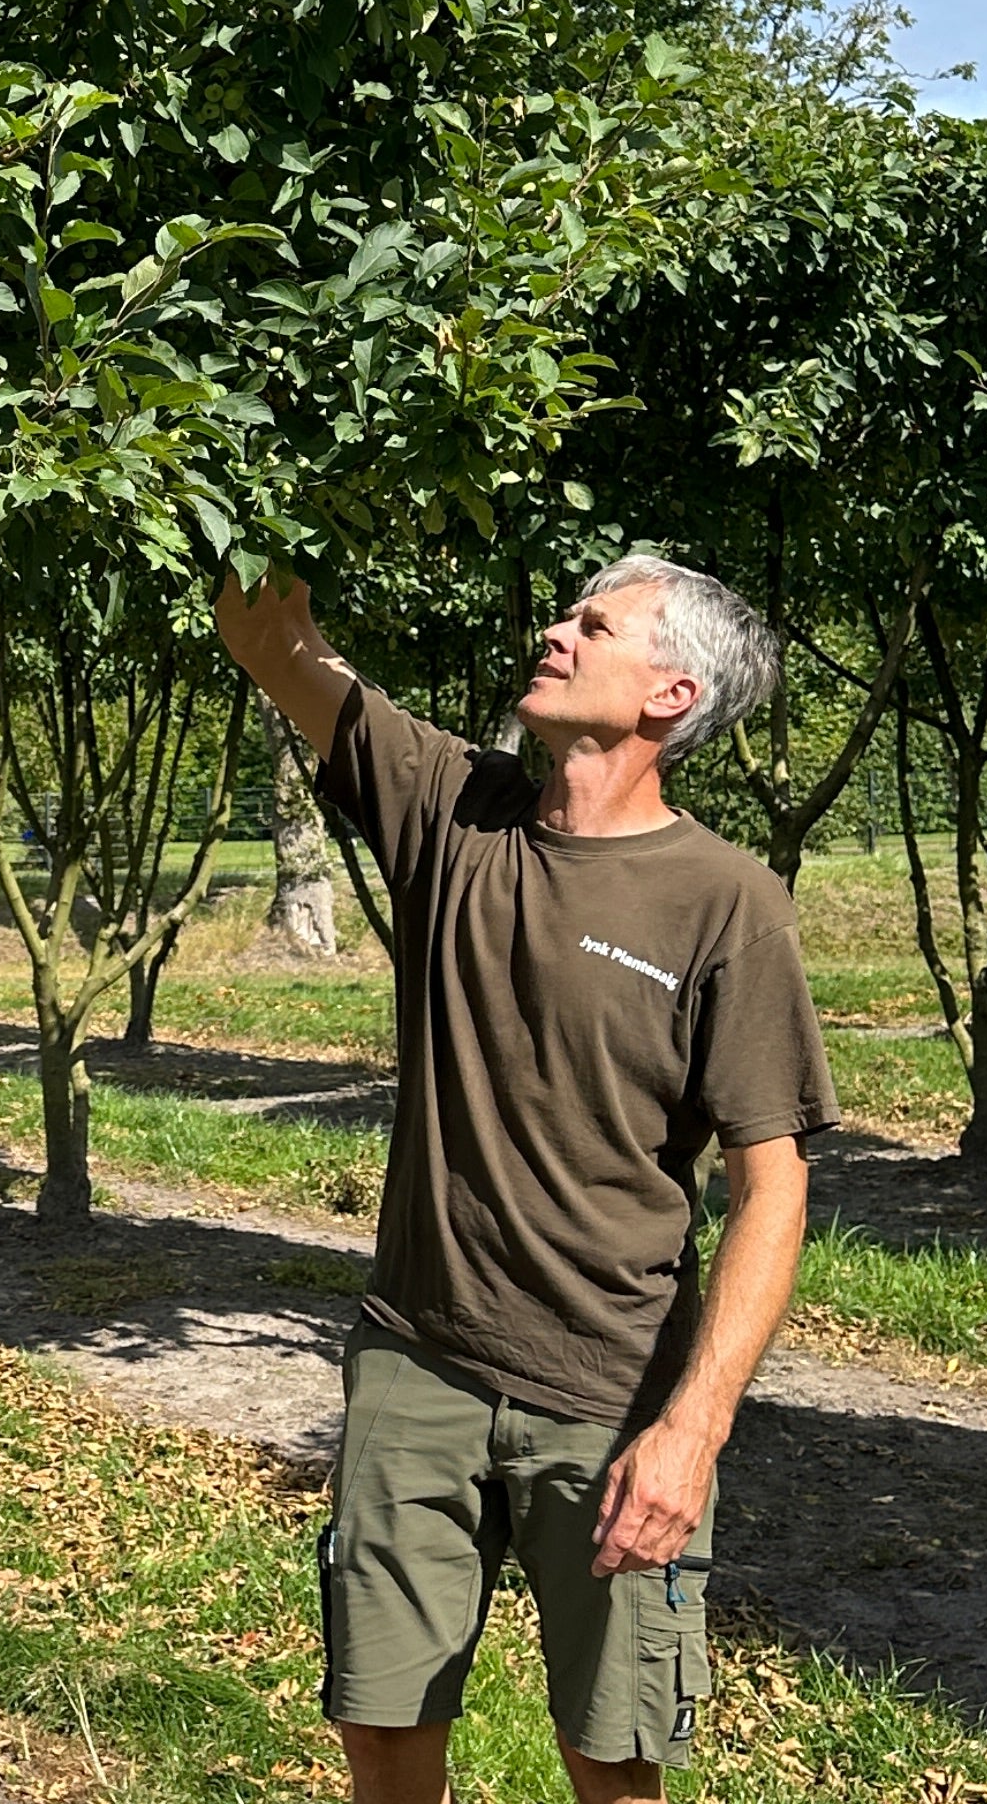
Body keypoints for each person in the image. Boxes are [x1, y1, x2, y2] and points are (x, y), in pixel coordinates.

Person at [214, 556, 837, 1804]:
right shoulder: (455, 806)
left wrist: (690, 1435)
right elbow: (282, 654)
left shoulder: (729, 906)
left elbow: (773, 1189)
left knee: (612, 1756)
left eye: (591, 624)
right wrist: (237, 514)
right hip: (418, 1358)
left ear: (671, 692)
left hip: (610, 1399)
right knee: (382, 1725)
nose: (553, 631)